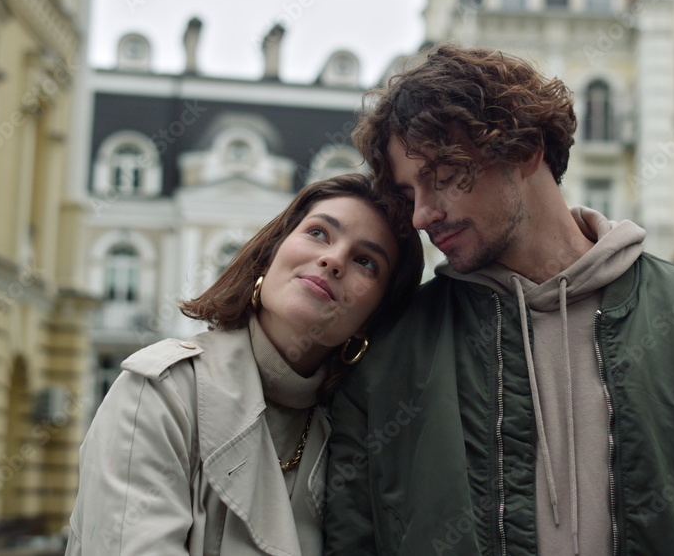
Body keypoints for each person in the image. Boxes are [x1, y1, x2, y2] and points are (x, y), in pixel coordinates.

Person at [324, 45, 674, 555]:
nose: (422, 215)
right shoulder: (392, 348)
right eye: (408, 194)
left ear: (526, 150)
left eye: (442, 177)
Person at [66, 173, 423, 555]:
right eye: (319, 233)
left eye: (365, 261)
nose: (333, 259)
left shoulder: (362, 434)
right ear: (271, 254)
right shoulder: (162, 393)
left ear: (373, 318)